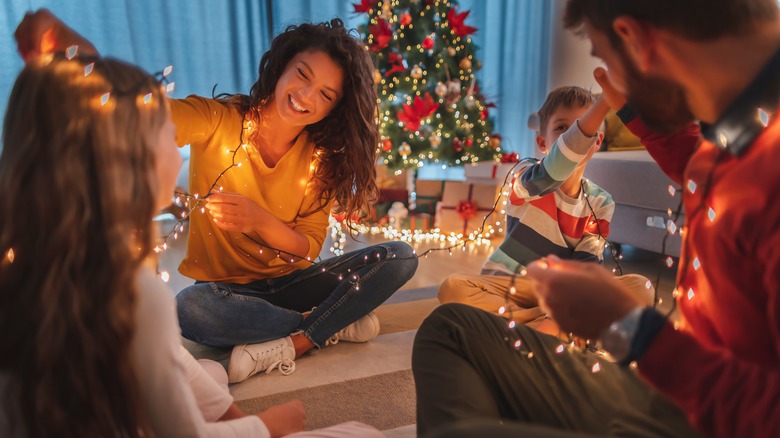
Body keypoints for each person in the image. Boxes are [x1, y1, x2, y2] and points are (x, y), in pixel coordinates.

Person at [412, 0, 780, 436]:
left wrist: (628, 329)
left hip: (697, 416)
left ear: (634, 40)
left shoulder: (763, 163)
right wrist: (638, 113)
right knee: (449, 328)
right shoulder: (744, 131)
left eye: (607, 58)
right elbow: (706, 169)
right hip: (672, 392)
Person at [15, 9, 419, 385]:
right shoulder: (218, 120)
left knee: (400, 256)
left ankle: (299, 339)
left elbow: (308, 250)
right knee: (190, 309)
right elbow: (140, 115)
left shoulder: (320, 160)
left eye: (326, 94)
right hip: (222, 294)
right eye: (303, 74)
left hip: (290, 283)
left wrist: (257, 221)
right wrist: (84, 58)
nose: (307, 95)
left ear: (334, 108)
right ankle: (331, 320)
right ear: (282, 66)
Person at [438, 86, 651, 335]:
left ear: (597, 141)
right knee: (453, 288)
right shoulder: (525, 175)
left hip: (562, 293)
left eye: (582, 128)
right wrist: (603, 104)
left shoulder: (602, 202)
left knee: (640, 287)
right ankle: (547, 324)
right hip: (513, 286)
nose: (574, 137)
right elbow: (556, 167)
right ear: (542, 142)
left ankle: (535, 325)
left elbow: (586, 266)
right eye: (562, 128)